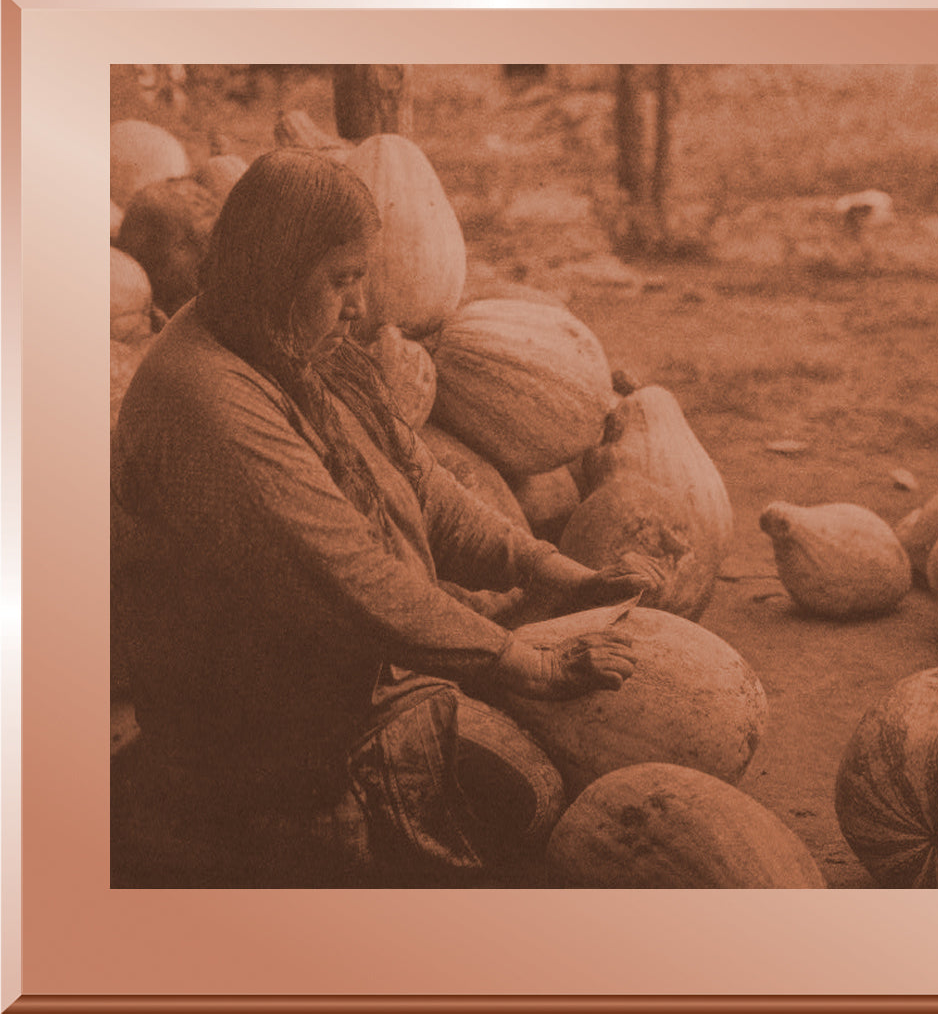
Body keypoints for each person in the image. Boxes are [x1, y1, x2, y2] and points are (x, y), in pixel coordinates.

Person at [110, 148, 663, 887]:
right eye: (341, 282)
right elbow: (346, 573)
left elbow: (423, 488)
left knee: (528, 789)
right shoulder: (205, 398)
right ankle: (232, 821)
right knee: (525, 807)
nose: (360, 307)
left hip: (344, 674)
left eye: (360, 280)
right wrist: (528, 662)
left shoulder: (279, 336)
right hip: (258, 733)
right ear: (277, 272)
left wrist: (553, 571)